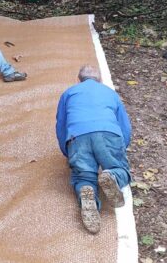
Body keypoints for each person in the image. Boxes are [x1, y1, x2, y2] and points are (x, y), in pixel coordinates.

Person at [55, 64, 132, 234]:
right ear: (100, 79)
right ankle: (112, 176)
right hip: (108, 133)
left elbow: (61, 124)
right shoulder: (110, 93)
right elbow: (125, 126)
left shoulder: (68, 93)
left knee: (83, 176)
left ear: (79, 79)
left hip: (77, 136)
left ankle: (86, 191)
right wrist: (121, 147)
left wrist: (67, 150)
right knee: (119, 168)